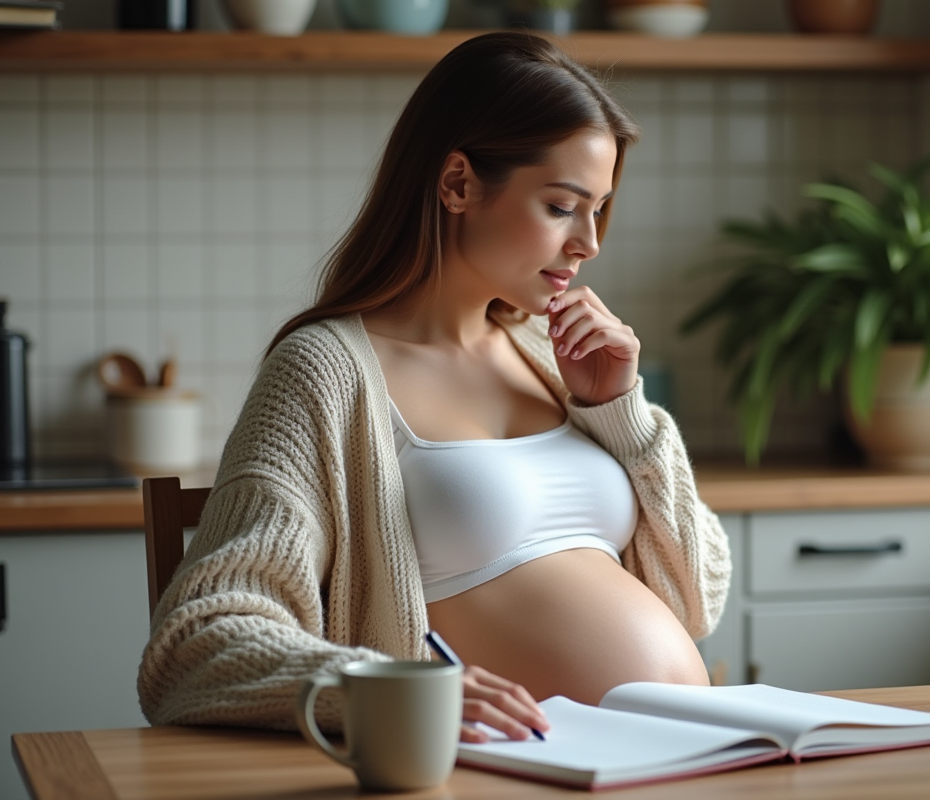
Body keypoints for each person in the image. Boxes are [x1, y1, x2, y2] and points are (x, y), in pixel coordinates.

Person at [137, 31, 731, 745]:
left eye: (598, 208)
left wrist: (619, 414)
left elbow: (697, 600)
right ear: (456, 184)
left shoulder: (555, 357)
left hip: (691, 756)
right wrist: (396, 692)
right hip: (511, 774)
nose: (589, 243)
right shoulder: (324, 374)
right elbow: (198, 640)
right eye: (560, 206)